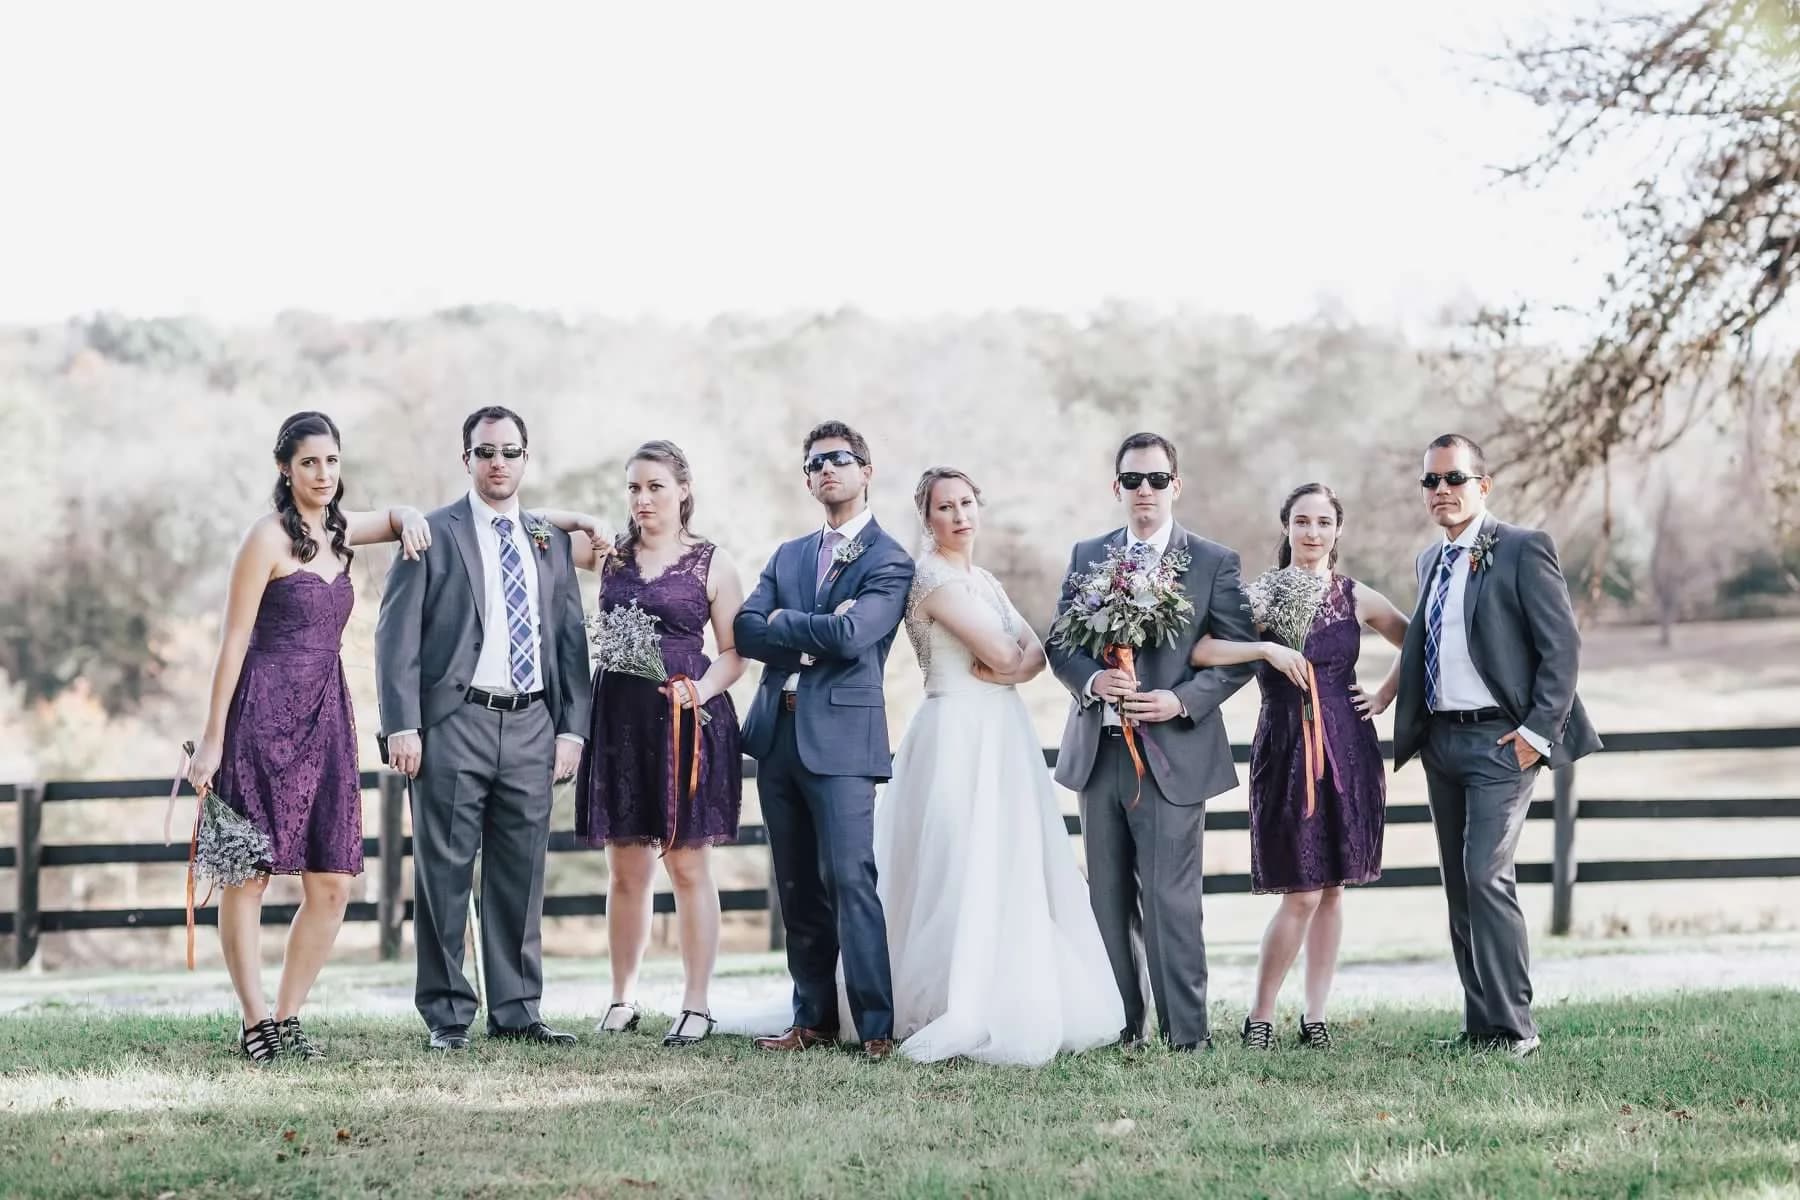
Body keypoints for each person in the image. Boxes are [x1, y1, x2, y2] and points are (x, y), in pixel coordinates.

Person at [186, 410, 432, 1063]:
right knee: (250, 876)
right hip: (260, 717)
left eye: (331, 462)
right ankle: (255, 1022)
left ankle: (290, 1017)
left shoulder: (343, 528)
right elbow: (232, 641)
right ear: (284, 469)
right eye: (309, 463)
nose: (323, 474)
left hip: (327, 717)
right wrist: (212, 741)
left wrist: (408, 516)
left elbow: (398, 515)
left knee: (332, 884)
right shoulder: (264, 539)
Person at [874, 466, 1124, 1064]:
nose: (959, 515)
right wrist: (1012, 662)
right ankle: (947, 999)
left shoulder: (982, 578)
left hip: (1002, 733)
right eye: (944, 507)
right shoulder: (931, 579)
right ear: (927, 518)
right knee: (956, 858)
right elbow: (1001, 649)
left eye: (967, 503)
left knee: (1009, 857)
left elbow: (1035, 652)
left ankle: (1003, 988)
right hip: (957, 730)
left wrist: (1014, 665)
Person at [374, 405, 596, 1052]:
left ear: (526, 460)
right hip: (452, 722)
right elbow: (396, 639)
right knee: (443, 874)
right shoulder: (431, 534)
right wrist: (402, 727)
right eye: (485, 451)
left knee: (520, 875)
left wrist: (571, 730)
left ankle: (519, 1010)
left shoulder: (548, 541)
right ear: (466, 460)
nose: (497, 462)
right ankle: (447, 1015)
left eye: (509, 451)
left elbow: (569, 640)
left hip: (532, 724)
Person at [1393, 433, 1602, 1059]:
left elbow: (1560, 649)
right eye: (1430, 482)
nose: (1441, 492)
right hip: (1442, 741)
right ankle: (1480, 1024)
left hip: (1502, 743)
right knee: (1459, 883)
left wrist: (1536, 735)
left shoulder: (1521, 548)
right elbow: (1426, 647)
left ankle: (1517, 1028)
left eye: (1453, 479)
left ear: (1483, 486)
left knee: (1487, 875)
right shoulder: (1429, 563)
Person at [1047, 431, 1257, 1051]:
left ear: (1176, 485)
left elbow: (1237, 656)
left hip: (1172, 755)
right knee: (1106, 901)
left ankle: (1187, 1035)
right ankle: (1120, 1028)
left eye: (1157, 480)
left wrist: (1180, 700)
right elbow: (1060, 642)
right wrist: (1093, 681)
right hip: (1099, 752)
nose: (1145, 491)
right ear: (1117, 488)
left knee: (1171, 903)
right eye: (1133, 480)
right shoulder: (1088, 554)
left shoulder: (1213, 562)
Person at [1187, 483, 1409, 1049]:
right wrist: (1263, 649)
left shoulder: (1353, 596)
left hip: (1349, 746)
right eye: (1302, 521)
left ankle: (1315, 1017)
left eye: (1324, 522)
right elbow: (1203, 649)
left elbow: (1418, 638)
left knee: (1333, 889)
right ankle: (1260, 1015)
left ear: (1338, 530)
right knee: (1302, 890)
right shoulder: (1261, 596)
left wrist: (1382, 697)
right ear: (1286, 527)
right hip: (1287, 747)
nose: (1312, 532)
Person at [732, 420, 914, 1060]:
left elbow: (852, 637)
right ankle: (811, 1020)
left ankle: (876, 1027)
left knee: (849, 878)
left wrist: (786, 623)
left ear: (866, 471)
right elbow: (747, 630)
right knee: (796, 887)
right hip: (777, 739)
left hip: (842, 743)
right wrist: (794, 624)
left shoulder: (890, 559)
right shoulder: (787, 555)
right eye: (815, 464)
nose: (826, 470)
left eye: (839, 460)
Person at [572, 440, 746, 1048]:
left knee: (688, 865)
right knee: (625, 869)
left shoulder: (712, 563)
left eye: (654, 487)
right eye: (633, 488)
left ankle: (696, 1004)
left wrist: (700, 689)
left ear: (683, 490)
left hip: (684, 719)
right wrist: (584, 523)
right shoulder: (609, 558)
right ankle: (622, 997)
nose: (642, 499)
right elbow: (526, 533)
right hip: (618, 722)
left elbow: (734, 653)